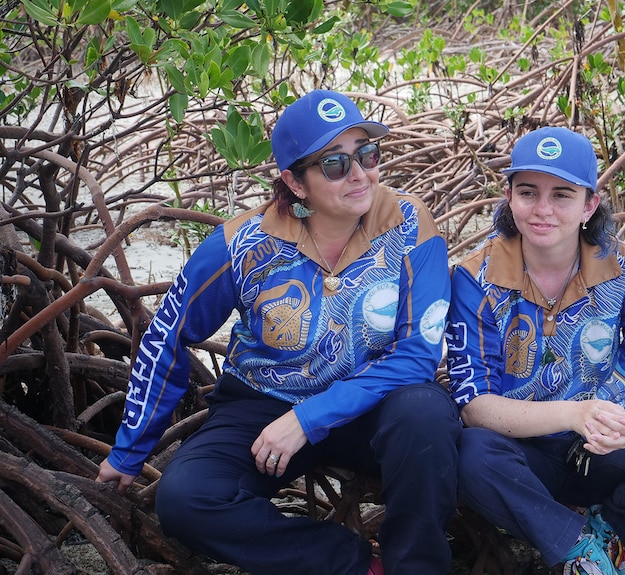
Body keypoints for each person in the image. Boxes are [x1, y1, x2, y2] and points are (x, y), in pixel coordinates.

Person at [97, 89, 461, 575]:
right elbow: (168, 332)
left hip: (377, 404)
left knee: (426, 414)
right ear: (295, 181)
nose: (360, 175)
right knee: (186, 499)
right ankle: (354, 566)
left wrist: (310, 418)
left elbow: (417, 354)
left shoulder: (410, 225)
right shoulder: (241, 243)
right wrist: (129, 450)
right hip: (262, 402)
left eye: (367, 155)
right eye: (335, 164)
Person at [445, 126, 625, 575]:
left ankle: (618, 540)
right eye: (528, 192)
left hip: (604, 449)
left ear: (590, 205)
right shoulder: (475, 278)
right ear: (509, 197)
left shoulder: (624, 269)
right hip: (520, 454)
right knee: (469, 455)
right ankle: (579, 549)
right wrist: (572, 413)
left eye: (563, 195)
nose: (543, 209)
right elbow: (474, 406)